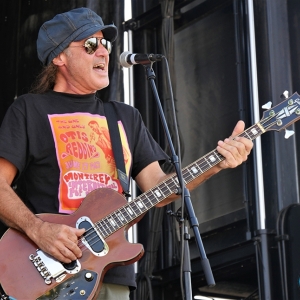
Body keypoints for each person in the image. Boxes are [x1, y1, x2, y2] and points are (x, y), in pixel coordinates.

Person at [0, 7, 253, 300]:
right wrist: (39, 230)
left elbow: (160, 189)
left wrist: (218, 163)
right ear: (59, 57)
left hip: (112, 270)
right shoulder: (29, 110)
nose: (103, 53)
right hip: (45, 266)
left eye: (105, 45)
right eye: (91, 45)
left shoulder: (123, 116)